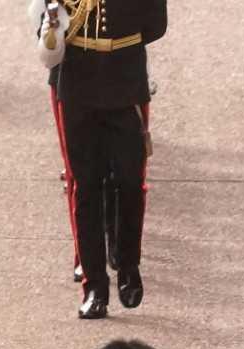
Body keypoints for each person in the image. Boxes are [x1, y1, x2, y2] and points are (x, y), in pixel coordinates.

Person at [37, 0, 165, 317]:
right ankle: (95, 285)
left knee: (130, 181)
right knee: (86, 186)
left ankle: (128, 265)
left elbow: (155, 26)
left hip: (126, 79)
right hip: (79, 81)